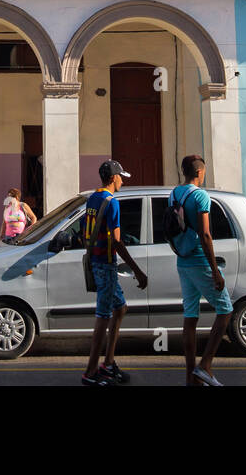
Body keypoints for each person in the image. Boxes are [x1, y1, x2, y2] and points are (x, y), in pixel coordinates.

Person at [82, 160, 148, 386]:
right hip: (106, 263)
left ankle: (108, 362)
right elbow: (118, 241)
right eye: (121, 177)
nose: (122, 181)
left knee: (120, 308)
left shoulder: (93, 198)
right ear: (113, 178)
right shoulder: (112, 203)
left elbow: (86, 230)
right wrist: (137, 271)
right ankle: (90, 372)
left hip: (96, 261)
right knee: (103, 316)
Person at [169, 155, 232, 386]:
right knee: (225, 310)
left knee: (190, 317)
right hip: (199, 260)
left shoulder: (174, 194)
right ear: (200, 173)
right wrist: (215, 270)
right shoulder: (201, 196)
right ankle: (205, 365)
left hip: (182, 261)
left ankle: (190, 377)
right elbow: (205, 234)